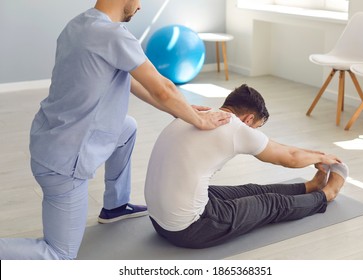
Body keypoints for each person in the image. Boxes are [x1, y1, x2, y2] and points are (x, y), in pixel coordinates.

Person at [0, 0, 230, 260]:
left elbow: (134, 82)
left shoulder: (78, 25)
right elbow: (162, 88)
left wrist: (182, 110)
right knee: (59, 255)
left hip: (49, 137)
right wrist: (199, 121)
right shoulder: (113, 35)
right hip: (65, 163)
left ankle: (115, 206)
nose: (140, 6)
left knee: (126, 128)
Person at [144, 84, 349, 249]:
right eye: (257, 127)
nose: (254, 132)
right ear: (249, 118)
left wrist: (316, 157)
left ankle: (311, 186)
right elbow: (289, 157)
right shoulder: (234, 127)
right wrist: (322, 156)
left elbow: (278, 147)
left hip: (159, 219)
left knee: (251, 190)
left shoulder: (198, 113)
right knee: (270, 203)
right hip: (188, 229)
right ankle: (327, 195)